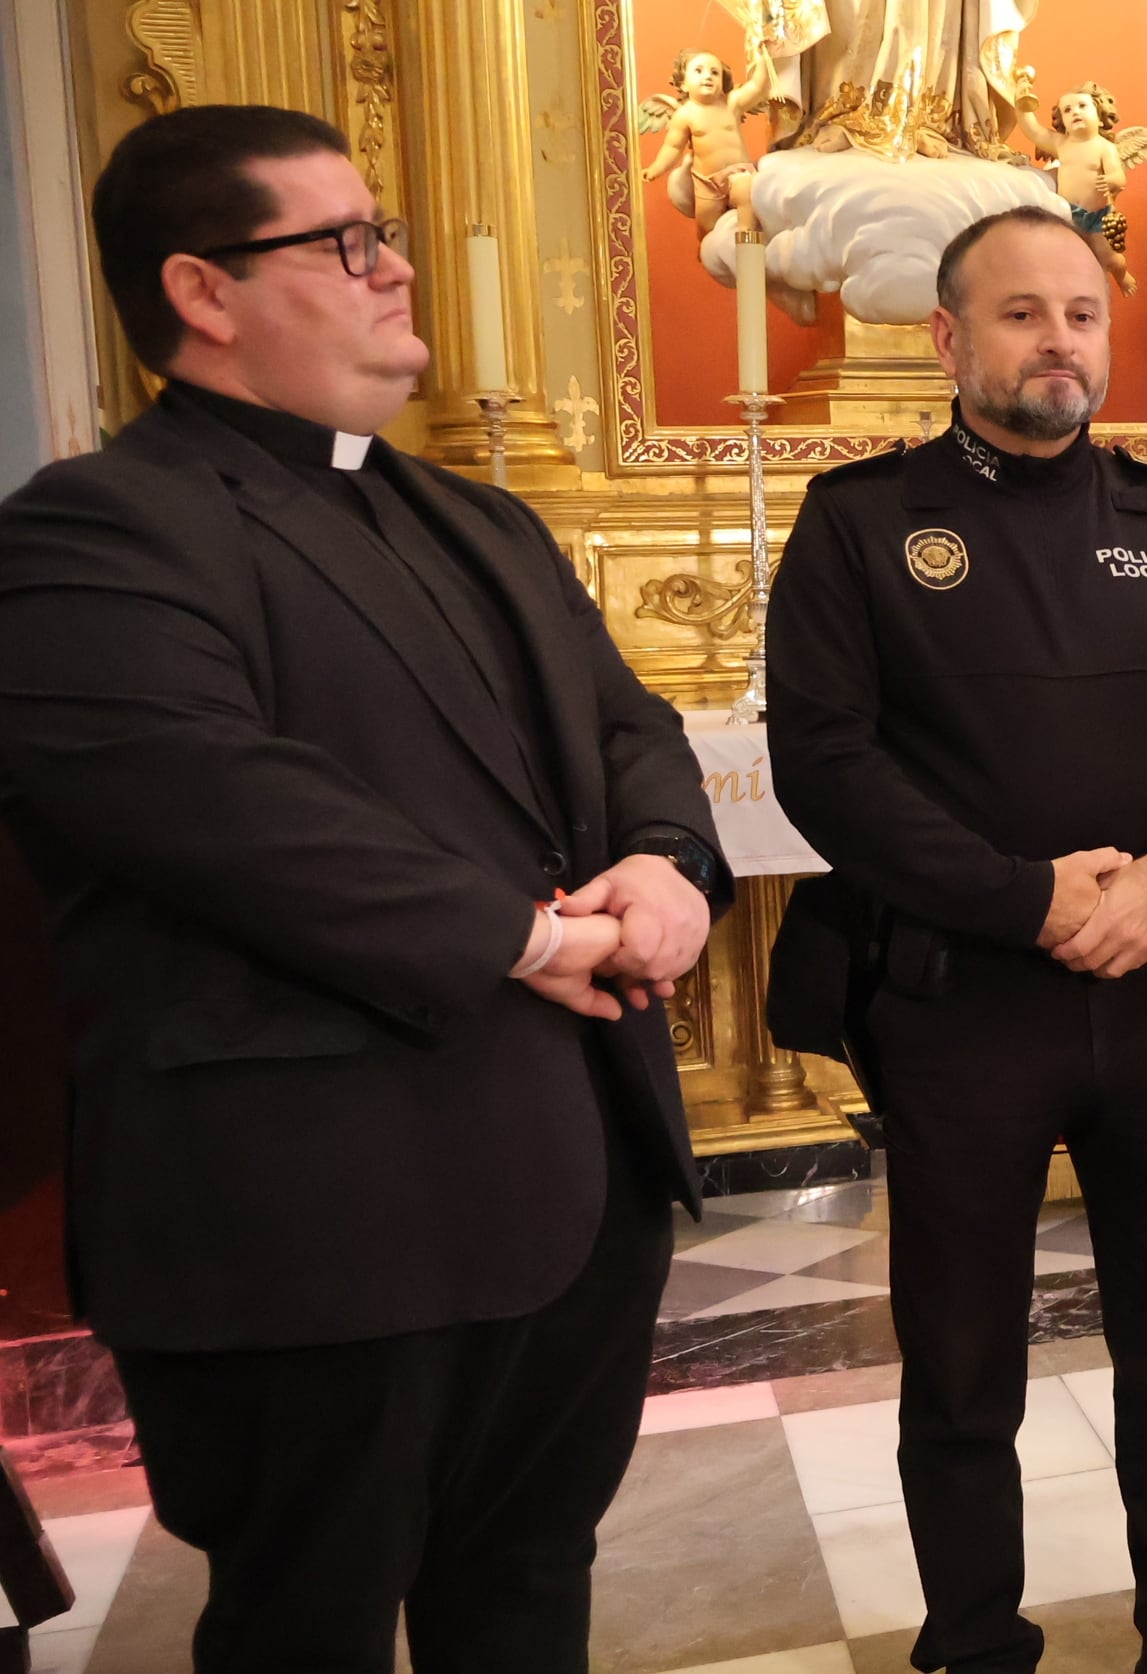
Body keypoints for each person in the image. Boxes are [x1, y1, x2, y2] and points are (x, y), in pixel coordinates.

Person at [0, 105, 726, 1671]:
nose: (394, 266)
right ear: (202, 290)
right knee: (308, 1627)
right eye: (344, 241)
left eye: (380, 231)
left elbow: (632, 727)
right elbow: (212, 797)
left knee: (525, 1591)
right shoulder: (96, 525)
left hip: (571, 1184)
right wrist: (520, 935)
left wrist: (669, 865)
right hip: (317, 1216)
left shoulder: (478, 515)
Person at [765, 203, 1147, 1674]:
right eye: (1021, 314)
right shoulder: (861, 522)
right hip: (960, 996)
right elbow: (826, 762)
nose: (1059, 340)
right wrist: (1028, 896)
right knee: (960, 1356)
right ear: (948, 341)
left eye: (1081, 312)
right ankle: (972, 1641)